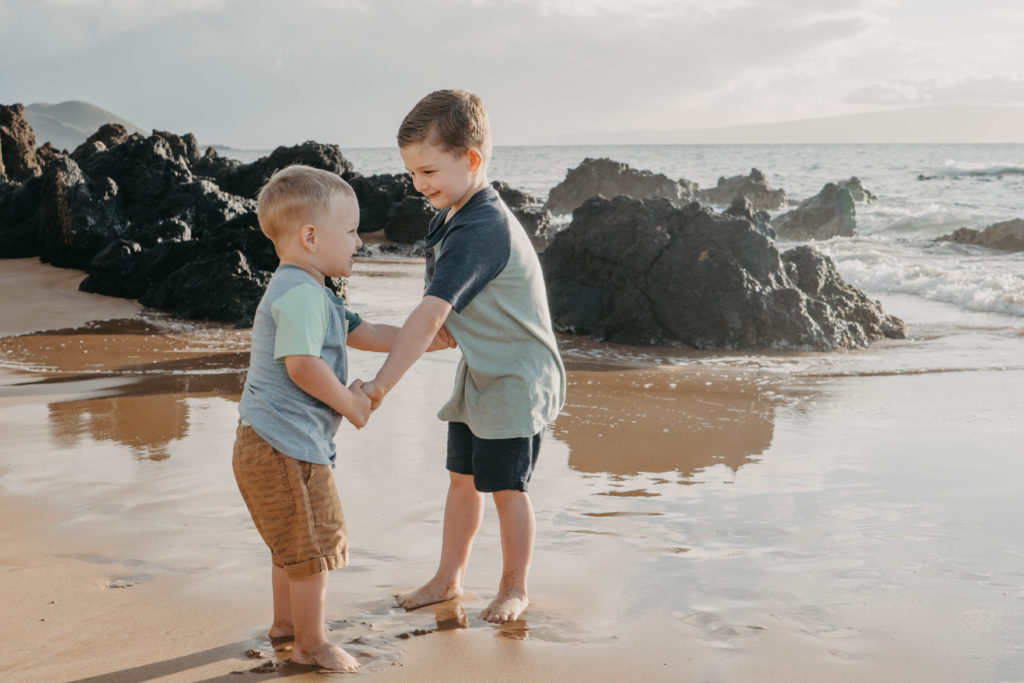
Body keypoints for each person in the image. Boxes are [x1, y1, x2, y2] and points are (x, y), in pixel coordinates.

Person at [232, 165, 453, 671]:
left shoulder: (310, 290)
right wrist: (351, 404)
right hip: (285, 447)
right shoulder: (304, 296)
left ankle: (287, 625)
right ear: (311, 237)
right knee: (314, 545)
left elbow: (367, 330)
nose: (359, 242)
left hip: (265, 444)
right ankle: (310, 643)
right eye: (351, 231)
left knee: (291, 545)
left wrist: (427, 336)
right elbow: (303, 366)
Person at [362, 89, 566, 624]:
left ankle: (514, 587)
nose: (419, 184)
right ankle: (449, 578)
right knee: (461, 478)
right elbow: (442, 328)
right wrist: (349, 331)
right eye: (412, 174)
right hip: (481, 367)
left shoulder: (481, 228)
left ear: (472, 159)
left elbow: (430, 316)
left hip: (517, 376)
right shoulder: (452, 213)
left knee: (506, 486)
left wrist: (380, 387)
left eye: (429, 171)